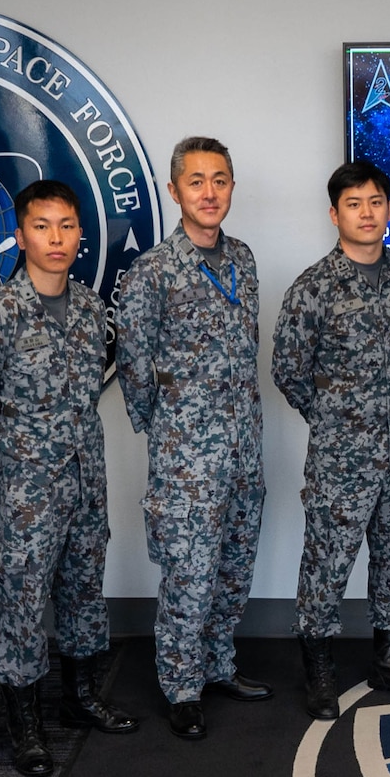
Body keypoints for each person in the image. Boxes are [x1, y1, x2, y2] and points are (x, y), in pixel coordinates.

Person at [0, 180, 138, 777]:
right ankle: (24, 720)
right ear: (19, 235)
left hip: (88, 475)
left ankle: (80, 698)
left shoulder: (90, 307)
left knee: (85, 588)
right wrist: (13, 460)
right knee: (26, 598)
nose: (55, 238)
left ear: (80, 234)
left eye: (66, 226)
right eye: (42, 226)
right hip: (31, 484)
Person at [272, 160, 390, 720]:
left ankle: (389, 660)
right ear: (334, 214)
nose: (366, 213)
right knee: (327, 560)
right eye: (353, 204)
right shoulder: (314, 287)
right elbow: (288, 369)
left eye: (375, 201)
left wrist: (387, 407)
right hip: (341, 457)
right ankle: (319, 673)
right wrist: (337, 418)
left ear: (389, 208)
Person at [115, 136, 269, 741]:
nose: (210, 192)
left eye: (221, 180)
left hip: (244, 452)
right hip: (187, 461)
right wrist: (175, 432)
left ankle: (219, 665)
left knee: (234, 565)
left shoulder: (244, 260)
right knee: (189, 574)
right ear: (174, 190)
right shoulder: (152, 271)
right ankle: (181, 686)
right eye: (197, 181)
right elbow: (133, 364)